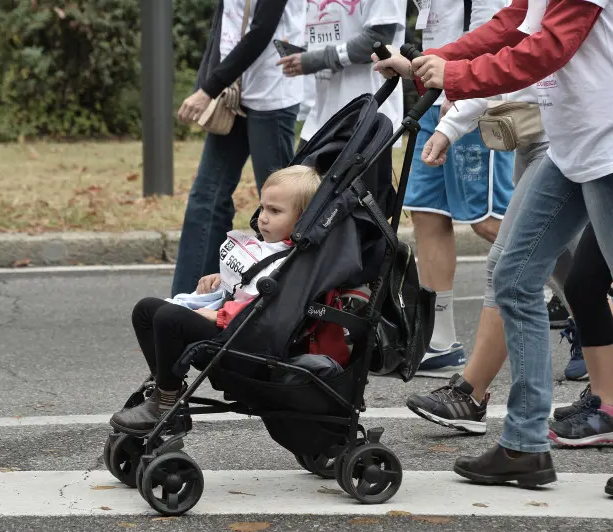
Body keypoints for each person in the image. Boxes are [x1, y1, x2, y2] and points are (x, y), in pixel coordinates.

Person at [374, 0, 613, 499]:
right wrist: (431, 62)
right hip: (574, 144)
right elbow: (514, 24)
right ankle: (524, 447)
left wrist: (457, 72)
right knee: (515, 278)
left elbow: (551, 46)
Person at [110, 165, 349, 434]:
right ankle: (166, 390)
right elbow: (252, 284)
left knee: (168, 318)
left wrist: (219, 315)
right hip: (234, 330)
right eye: (263, 208)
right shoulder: (270, 247)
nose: (263, 218)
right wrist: (223, 282)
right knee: (146, 310)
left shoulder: (298, 264)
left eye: (275, 211)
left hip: (250, 346)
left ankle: (166, 405)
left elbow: (274, 312)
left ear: (303, 218)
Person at [398, 0, 516, 378]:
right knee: (427, 213)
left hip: (474, 98)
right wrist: (411, 67)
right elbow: (444, 32)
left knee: (489, 221)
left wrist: (462, 92)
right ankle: (438, 342)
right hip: (436, 95)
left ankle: (591, 296)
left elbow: (497, 37)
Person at [171, 0, 306, 297]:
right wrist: (210, 83)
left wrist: (208, 89)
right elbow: (222, 25)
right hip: (233, 94)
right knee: (206, 199)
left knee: (279, 208)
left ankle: (282, 302)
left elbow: (261, 31)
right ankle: (188, 301)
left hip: (272, 95)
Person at [277, 0, 407, 149]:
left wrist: (313, 60)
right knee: (299, 171)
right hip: (320, 117)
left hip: (365, 117)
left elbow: (377, 41)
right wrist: (299, 55)